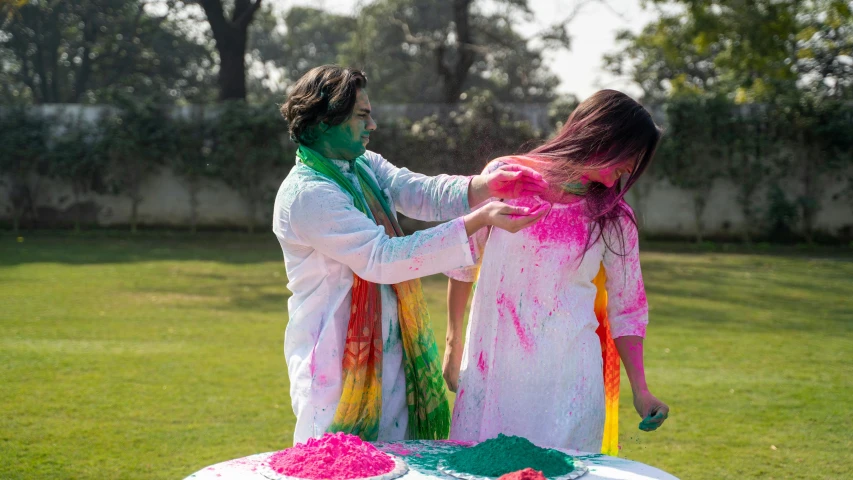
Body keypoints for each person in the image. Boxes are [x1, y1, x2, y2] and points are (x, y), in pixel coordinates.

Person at [272, 65, 550, 444]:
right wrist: (475, 222)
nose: (373, 125)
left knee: (397, 461)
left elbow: (418, 191)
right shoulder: (309, 194)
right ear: (323, 122)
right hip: (335, 360)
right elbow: (383, 259)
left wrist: (485, 186)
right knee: (339, 464)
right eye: (362, 115)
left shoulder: (363, 166)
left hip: (391, 345)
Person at [443, 90, 670, 454]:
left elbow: (628, 308)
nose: (622, 177)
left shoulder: (614, 217)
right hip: (494, 372)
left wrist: (641, 390)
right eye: (626, 159)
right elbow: (462, 260)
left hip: (569, 385)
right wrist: (453, 344)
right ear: (601, 135)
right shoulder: (506, 179)